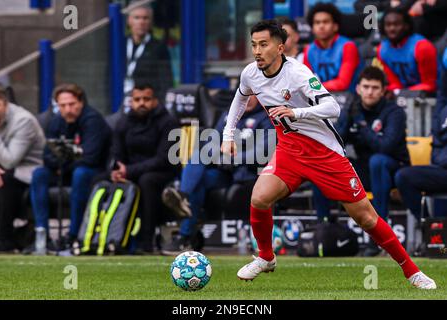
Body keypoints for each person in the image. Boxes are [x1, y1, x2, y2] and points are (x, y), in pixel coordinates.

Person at [221, 19, 436, 289]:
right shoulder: (250, 73)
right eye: (254, 45)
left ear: (280, 47)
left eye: (263, 44)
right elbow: (240, 98)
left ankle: (412, 271)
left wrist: (295, 112)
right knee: (260, 197)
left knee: (366, 217)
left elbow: (332, 107)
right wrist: (228, 134)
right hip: (289, 148)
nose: (257, 51)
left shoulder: (298, 73)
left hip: (324, 153)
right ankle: (266, 256)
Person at [313, 66, 410, 256]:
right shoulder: (353, 109)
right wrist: (347, 120)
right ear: (358, 88)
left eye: (375, 88)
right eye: (366, 87)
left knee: (378, 161)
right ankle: (324, 229)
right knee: (325, 166)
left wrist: (362, 125)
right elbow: (335, 143)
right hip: (366, 169)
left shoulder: (395, 112)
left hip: (393, 170)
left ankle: (378, 237)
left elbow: (385, 147)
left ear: (383, 91)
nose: (370, 92)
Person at [161, 95, 274, 254]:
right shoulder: (230, 114)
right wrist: (220, 157)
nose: (247, 99)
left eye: (252, 95)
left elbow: (264, 151)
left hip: (250, 174)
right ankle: (184, 201)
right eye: (245, 94)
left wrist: (233, 159)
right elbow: (211, 142)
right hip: (225, 173)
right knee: (198, 162)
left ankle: (185, 229)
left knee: (197, 177)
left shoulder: (267, 117)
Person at [95, 82, 179, 254]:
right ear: (131, 101)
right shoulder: (124, 121)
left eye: (146, 99)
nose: (141, 103)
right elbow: (117, 151)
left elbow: (164, 159)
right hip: (130, 170)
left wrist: (129, 171)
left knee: (146, 181)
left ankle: (145, 241)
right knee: (97, 180)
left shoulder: (168, 122)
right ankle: (96, 237)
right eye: (137, 99)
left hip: (162, 171)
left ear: (155, 101)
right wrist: (116, 171)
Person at [28, 83, 111, 253]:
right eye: (62, 105)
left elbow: (90, 158)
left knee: (80, 174)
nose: (67, 109)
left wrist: (62, 165)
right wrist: (61, 164)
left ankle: (74, 235)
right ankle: (42, 235)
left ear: (81, 102)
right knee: (39, 174)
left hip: (93, 172)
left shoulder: (93, 120)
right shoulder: (56, 121)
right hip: (65, 170)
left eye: (71, 104)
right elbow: (47, 155)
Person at [395, 46, 447, 219]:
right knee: (405, 177)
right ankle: (428, 225)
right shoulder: (443, 110)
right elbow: (442, 96)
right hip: (442, 169)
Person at [0, 85, 45, 252]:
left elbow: (10, 161)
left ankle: (4, 240)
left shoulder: (23, 120)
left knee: (4, 181)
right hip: (3, 169)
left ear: (5, 104)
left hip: (29, 171)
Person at [377, 7, 438, 96]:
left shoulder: (422, 47)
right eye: (388, 25)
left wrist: (399, 92)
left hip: (432, 97)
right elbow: (395, 84)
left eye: (396, 24)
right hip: (403, 96)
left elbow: (430, 85)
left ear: (407, 26)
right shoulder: (382, 49)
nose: (392, 29)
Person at [303, 2, 361, 92]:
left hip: (347, 99)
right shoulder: (309, 50)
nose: (321, 26)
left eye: (325, 22)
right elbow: (305, 81)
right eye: (317, 22)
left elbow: (343, 83)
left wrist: (315, 87)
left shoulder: (348, 47)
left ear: (335, 26)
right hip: (320, 97)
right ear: (312, 28)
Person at [124, 5, 173, 105]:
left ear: (151, 22)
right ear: (129, 21)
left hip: (146, 104)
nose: (141, 22)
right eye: (137, 17)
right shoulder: (120, 45)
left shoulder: (159, 47)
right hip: (119, 100)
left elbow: (166, 81)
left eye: (145, 18)